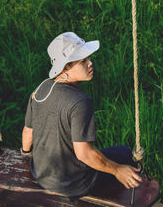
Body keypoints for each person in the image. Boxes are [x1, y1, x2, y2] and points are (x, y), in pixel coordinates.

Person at [21, 32, 142, 200]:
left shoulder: (40, 90)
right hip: (72, 185)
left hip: (40, 174)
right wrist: (117, 170)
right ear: (65, 68)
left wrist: (25, 156)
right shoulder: (80, 102)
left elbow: (28, 133)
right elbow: (84, 154)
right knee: (125, 154)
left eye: (88, 58)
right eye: (83, 61)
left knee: (114, 154)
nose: (90, 63)